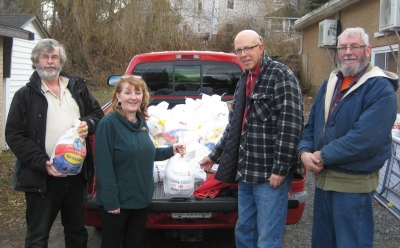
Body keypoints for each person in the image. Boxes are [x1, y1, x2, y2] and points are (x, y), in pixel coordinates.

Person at [199, 30, 304, 247]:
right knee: (244, 231)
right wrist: (214, 156)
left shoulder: (281, 75)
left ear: (261, 47)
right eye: (239, 50)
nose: (244, 54)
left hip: (269, 175)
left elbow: (291, 125)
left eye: (249, 48)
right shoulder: (244, 80)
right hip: (246, 172)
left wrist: (280, 168)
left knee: (268, 236)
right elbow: (235, 127)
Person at [297, 27, 398, 248]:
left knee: (351, 243)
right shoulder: (331, 81)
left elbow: (365, 139)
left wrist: (322, 155)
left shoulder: (380, 88)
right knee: (323, 243)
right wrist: (303, 152)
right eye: (343, 47)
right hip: (324, 181)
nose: (348, 52)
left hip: (353, 186)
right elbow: (312, 124)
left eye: (355, 46)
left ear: (368, 50)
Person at [5, 38, 104, 247]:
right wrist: (42, 163)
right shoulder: (25, 95)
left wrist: (88, 124)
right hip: (42, 177)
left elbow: (97, 114)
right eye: (45, 57)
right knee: (38, 236)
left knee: (77, 231)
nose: (50, 62)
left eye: (54, 57)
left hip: (75, 176)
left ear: (61, 62)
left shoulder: (77, 88)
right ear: (36, 62)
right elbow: (14, 135)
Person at [94, 75, 185, 248]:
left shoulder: (141, 122)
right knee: (111, 243)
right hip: (119, 201)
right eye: (128, 92)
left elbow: (144, 153)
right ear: (118, 96)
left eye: (138, 92)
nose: (133, 97)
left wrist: (171, 150)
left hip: (141, 198)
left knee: (134, 243)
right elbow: (104, 166)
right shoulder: (108, 124)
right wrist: (111, 201)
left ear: (143, 97)